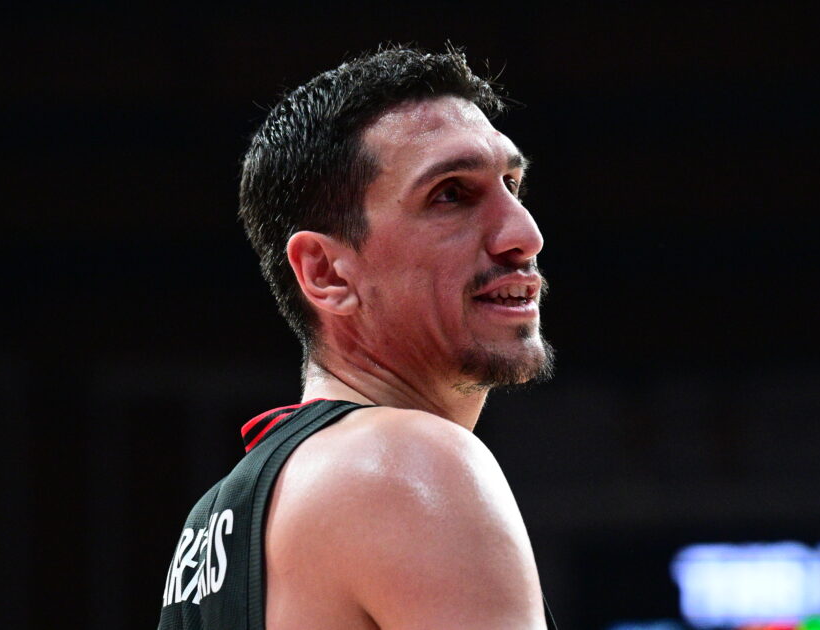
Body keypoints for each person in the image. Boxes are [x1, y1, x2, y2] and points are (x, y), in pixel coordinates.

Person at [158, 45, 557, 630]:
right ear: (326, 272)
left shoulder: (214, 521)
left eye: (512, 185)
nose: (525, 234)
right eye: (450, 194)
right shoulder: (412, 464)